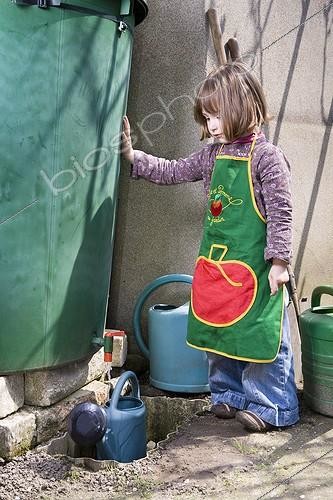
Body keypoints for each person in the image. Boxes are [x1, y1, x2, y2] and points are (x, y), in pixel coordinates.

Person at [122, 62, 299, 433]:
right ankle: (229, 395)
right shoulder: (211, 155)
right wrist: (135, 158)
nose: (211, 125)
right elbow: (173, 171)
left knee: (260, 335)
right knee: (219, 331)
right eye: (206, 117)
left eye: (216, 115)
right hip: (219, 266)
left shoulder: (268, 158)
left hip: (260, 268)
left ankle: (272, 405)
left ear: (242, 106)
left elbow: (282, 212)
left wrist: (280, 261)